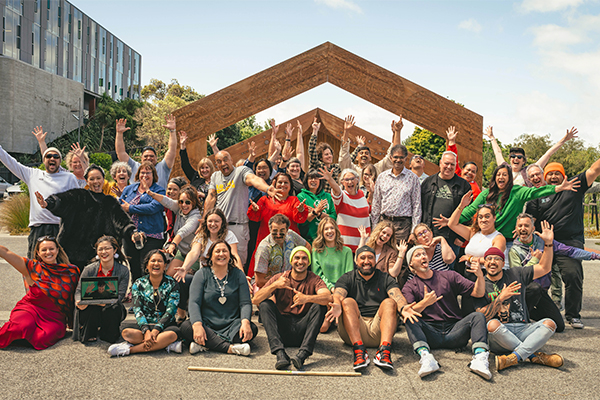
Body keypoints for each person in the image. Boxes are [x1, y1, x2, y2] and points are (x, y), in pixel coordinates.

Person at [475, 225, 564, 371]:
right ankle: (533, 356)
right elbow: (481, 316)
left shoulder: (516, 274)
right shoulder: (480, 284)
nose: (492, 262)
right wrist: (500, 299)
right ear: (484, 263)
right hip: (499, 335)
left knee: (550, 324)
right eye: (489, 259)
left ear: (503, 264)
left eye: (497, 259)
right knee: (492, 325)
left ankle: (514, 357)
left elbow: (544, 268)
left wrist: (548, 244)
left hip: (523, 328)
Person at [526, 160, 600, 329]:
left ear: (563, 175)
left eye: (556, 173)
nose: (553, 176)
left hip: (570, 242)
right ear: (545, 177)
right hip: (544, 243)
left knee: (573, 276)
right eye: (549, 174)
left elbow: (594, 169)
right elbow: (531, 220)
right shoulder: (537, 194)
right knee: (535, 278)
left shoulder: (575, 185)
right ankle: (533, 312)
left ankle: (573, 315)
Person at [401, 245, 491, 380]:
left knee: (477, 316)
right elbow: (408, 311)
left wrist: (480, 276)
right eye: (417, 255)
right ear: (411, 265)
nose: (423, 256)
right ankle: (426, 358)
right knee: (409, 318)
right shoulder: (409, 286)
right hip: (430, 334)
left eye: (424, 254)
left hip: (455, 331)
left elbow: (478, 293)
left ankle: (480, 358)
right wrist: (425, 303)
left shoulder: (449, 276)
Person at [326, 246, 419, 371]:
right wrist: (337, 304)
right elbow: (338, 294)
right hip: (353, 331)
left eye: (370, 257)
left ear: (375, 260)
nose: (366, 261)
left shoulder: (385, 278)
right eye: (362, 258)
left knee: (389, 302)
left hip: (379, 331)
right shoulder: (347, 278)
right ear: (356, 261)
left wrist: (403, 307)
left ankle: (384, 352)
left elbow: (397, 294)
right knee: (347, 301)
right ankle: (359, 352)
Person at [34, 164, 136, 270]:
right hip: (72, 256)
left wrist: (133, 232)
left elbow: (122, 221)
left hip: (99, 256)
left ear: (103, 180)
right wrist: (48, 203)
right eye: (92, 179)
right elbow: (62, 200)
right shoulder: (78, 195)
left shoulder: (110, 202)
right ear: (86, 181)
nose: (95, 182)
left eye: (98, 178)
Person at [510, 213, 600, 332]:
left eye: (526, 225)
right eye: (520, 226)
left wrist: (595, 256)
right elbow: (520, 275)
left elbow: (570, 251)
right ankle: (521, 319)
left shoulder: (544, 242)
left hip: (541, 291)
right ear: (516, 229)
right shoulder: (513, 250)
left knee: (559, 325)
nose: (523, 228)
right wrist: (535, 259)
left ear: (533, 228)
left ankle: (528, 313)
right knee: (534, 288)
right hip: (524, 291)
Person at [459, 163, 579, 250]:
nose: (501, 177)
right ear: (495, 178)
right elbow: (470, 210)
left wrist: (558, 188)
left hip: (508, 242)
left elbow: (536, 192)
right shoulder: (486, 194)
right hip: (487, 239)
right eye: (498, 174)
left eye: (504, 175)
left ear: (509, 178)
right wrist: (452, 220)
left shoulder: (517, 192)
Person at [254, 246, 332, 370]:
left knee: (319, 305)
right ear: (291, 261)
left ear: (309, 262)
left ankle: (303, 355)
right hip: (282, 330)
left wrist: (307, 298)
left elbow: (328, 298)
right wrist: (275, 285)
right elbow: (255, 299)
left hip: (303, 331)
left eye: (304, 258)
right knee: (265, 304)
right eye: (297, 258)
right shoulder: (280, 277)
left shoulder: (314, 279)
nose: (300, 261)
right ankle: (280, 353)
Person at [0, 141, 80, 258]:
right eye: (49, 156)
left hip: (61, 228)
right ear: (44, 160)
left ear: (60, 161)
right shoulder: (32, 174)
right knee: (35, 264)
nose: (52, 158)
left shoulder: (69, 177)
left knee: (63, 262)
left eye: (56, 156)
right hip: (38, 228)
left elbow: (78, 202)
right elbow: (12, 163)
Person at [204, 150, 282, 267]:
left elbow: (253, 179)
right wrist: (205, 219)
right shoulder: (215, 176)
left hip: (238, 227)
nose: (223, 163)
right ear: (216, 165)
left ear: (231, 160)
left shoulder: (241, 171)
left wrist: (266, 188)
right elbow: (211, 197)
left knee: (238, 262)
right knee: (217, 261)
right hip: (219, 227)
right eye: (219, 162)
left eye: (226, 159)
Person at [0, 237, 80, 350]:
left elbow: (76, 295)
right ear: (38, 252)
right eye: (44, 250)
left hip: (55, 317)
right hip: (31, 308)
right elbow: (5, 252)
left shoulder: (71, 271)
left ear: (58, 250)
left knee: (41, 338)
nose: (48, 252)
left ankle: (24, 337)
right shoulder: (32, 268)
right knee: (19, 328)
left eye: (51, 249)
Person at [181, 240, 258, 356]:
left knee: (252, 328)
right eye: (217, 251)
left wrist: (245, 322)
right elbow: (194, 302)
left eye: (224, 251)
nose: (221, 254)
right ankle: (231, 348)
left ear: (230, 255)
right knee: (186, 327)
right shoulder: (201, 274)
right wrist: (197, 325)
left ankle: (205, 345)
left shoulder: (238, 274)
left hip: (231, 324)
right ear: (210, 256)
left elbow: (245, 303)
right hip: (207, 323)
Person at [107, 250, 182, 356]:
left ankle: (129, 350)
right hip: (145, 325)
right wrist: (146, 331)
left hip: (165, 326)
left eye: (160, 261)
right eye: (153, 261)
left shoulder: (172, 283)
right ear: (147, 265)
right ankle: (164, 345)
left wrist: (156, 330)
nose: (156, 264)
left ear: (165, 265)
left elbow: (171, 310)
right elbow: (137, 309)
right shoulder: (138, 283)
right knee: (126, 333)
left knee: (171, 335)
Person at [247, 172, 308, 275]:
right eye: (280, 182)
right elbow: (254, 217)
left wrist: (301, 210)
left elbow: (299, 219)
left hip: (287, 244)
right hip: (267, 242)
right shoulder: (264, 200)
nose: (283, 185)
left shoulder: (294, 200)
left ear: (290, 186)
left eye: (286, 182)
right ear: (274, 185)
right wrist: (255, 209)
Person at [73, 236, 129, 343]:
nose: (104, 252)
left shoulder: (123, 270)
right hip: (91, 308)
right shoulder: (89, 269)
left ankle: (108, 332)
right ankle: (90, 331)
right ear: (97, 252)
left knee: (115, 307)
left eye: (107, 248)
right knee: (88, 307)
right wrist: (78, 301)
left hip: (110, 306)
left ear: (115, 250)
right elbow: (79, 291)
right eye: (100, 249)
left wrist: (100, 301)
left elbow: (120, 295)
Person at [119, 161, 167, 283]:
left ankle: (150, 292)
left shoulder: (159, 191)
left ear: (154, 175)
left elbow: (153, 207)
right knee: (133, 266)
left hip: (151, 235)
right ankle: (137, 293)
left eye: (148, 172)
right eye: (142, 172)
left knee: (147, 266)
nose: (145, 175)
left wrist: (130, 208)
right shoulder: (129, 189)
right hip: (131, 234)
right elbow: (120, 205)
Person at [483, 126, 577, 187]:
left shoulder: (529, 171)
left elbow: (548, 154)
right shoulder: (505, 170)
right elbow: (498, 152)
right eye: (513, 156)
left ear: (524, 161)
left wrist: (564, 140)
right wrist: (491, 137)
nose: (516, 158)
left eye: (519, 157)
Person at [421, 150, 471, 258]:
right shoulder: (428, 182)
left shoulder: (463, 186)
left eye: (452, 164)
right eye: (446, 163)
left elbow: (468, 212)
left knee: (448, 272)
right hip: (428, 236)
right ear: (440, 163)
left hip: (452, 238)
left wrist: (461, 237)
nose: (449, 167)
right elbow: (419, 207)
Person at [371, 144, 421, 243]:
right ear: (391, 158)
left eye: (401, 157)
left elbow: (417, 205)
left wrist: (413, 231)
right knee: (382, 254)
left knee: (399, 255)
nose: (398, 160)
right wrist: (374, 227)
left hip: (403, 226)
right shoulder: (382, 177)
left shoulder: (413, 178)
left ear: (406, 159)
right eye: (396, 157)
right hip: (384, 223)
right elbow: (376, 204)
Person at [311, 217, 354, 332]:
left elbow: (348, 274)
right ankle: (334, 314)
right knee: (322, 328)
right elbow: (317, 274)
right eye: (326, 229)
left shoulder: (347, 251)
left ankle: (332, 314)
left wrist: (338, 289)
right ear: (322, 233)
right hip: (324, 287)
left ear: (336, 230)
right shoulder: (316, 251)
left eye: (331, 228)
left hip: (343, 288)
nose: (329, 231)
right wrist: (331, 287)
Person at [115, 116, 178, 189]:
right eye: (145, 156)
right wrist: (119, 133)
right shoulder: (134, 166)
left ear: (156, 158)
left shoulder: (163, 167)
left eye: (151, 156)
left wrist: (172, 131)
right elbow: (121, 153)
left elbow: (172, 150)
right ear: (141, 158)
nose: (148, 158)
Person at [448, 192, 506, 266]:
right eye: (480, 217)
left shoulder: (498, 238)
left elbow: (493, 259)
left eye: (487, 216)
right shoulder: (473, 233)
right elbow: (452, 224)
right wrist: (461, 206)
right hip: (468, 273)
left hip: (485, 274)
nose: (483, 220)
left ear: (494, 218)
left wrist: (470, 259)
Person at [320, 167, 371, 252]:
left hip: (363, 244)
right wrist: (330, 180)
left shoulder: (362, 194)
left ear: (357, 180)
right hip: (346, 247)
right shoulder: (342, 197)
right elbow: (336, 190)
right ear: (342, 182)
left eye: (352, 179)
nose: (350, 182)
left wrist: (372, 193)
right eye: (347, 179)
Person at [253, 214, 308, 290]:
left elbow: (307, 247)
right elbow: (259, 281)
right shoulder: (264, 248)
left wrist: (300, 265)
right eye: (275, 231)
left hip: (291, 282)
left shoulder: (291, 235)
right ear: (270, 230)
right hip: (268, 287)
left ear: (287, 230)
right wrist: (278, 283)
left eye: (282, 231)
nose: (278, 235)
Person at [339, 116, 403, 176]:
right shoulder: (352, 169)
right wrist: (346, 132)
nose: (364, 155)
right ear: (356, 157)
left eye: (366, 153)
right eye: (361, 153)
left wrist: (397, 132)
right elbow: (344, 157)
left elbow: (393, 155)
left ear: (370, 158)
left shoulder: (377, 169)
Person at [297, 169, 336, 243]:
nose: (313, 180)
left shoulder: (328, 196)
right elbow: (302, 221)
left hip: (326, 240)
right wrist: (316, 211)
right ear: (306, 181)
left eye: (316, 178)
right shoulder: (301, 196)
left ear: (320, 181)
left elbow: (334, 218)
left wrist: (319, 214)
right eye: (310, 178)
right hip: (308, 240)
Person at [178, 130, 215, 209]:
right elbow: (185, 165)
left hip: (211, 211)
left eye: (206, 167)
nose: (204, 170)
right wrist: (182, 145)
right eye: (202, 168)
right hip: (194, 211)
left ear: (211, 168)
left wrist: (204, 195)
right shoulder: (196, 177)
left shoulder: (216, 179)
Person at [163, 176, 188, 242]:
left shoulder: (185, 206)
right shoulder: (166, 203)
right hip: (170, 237)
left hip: (183, 239)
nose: (171, 191)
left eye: (175, 189)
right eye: (169, 189)